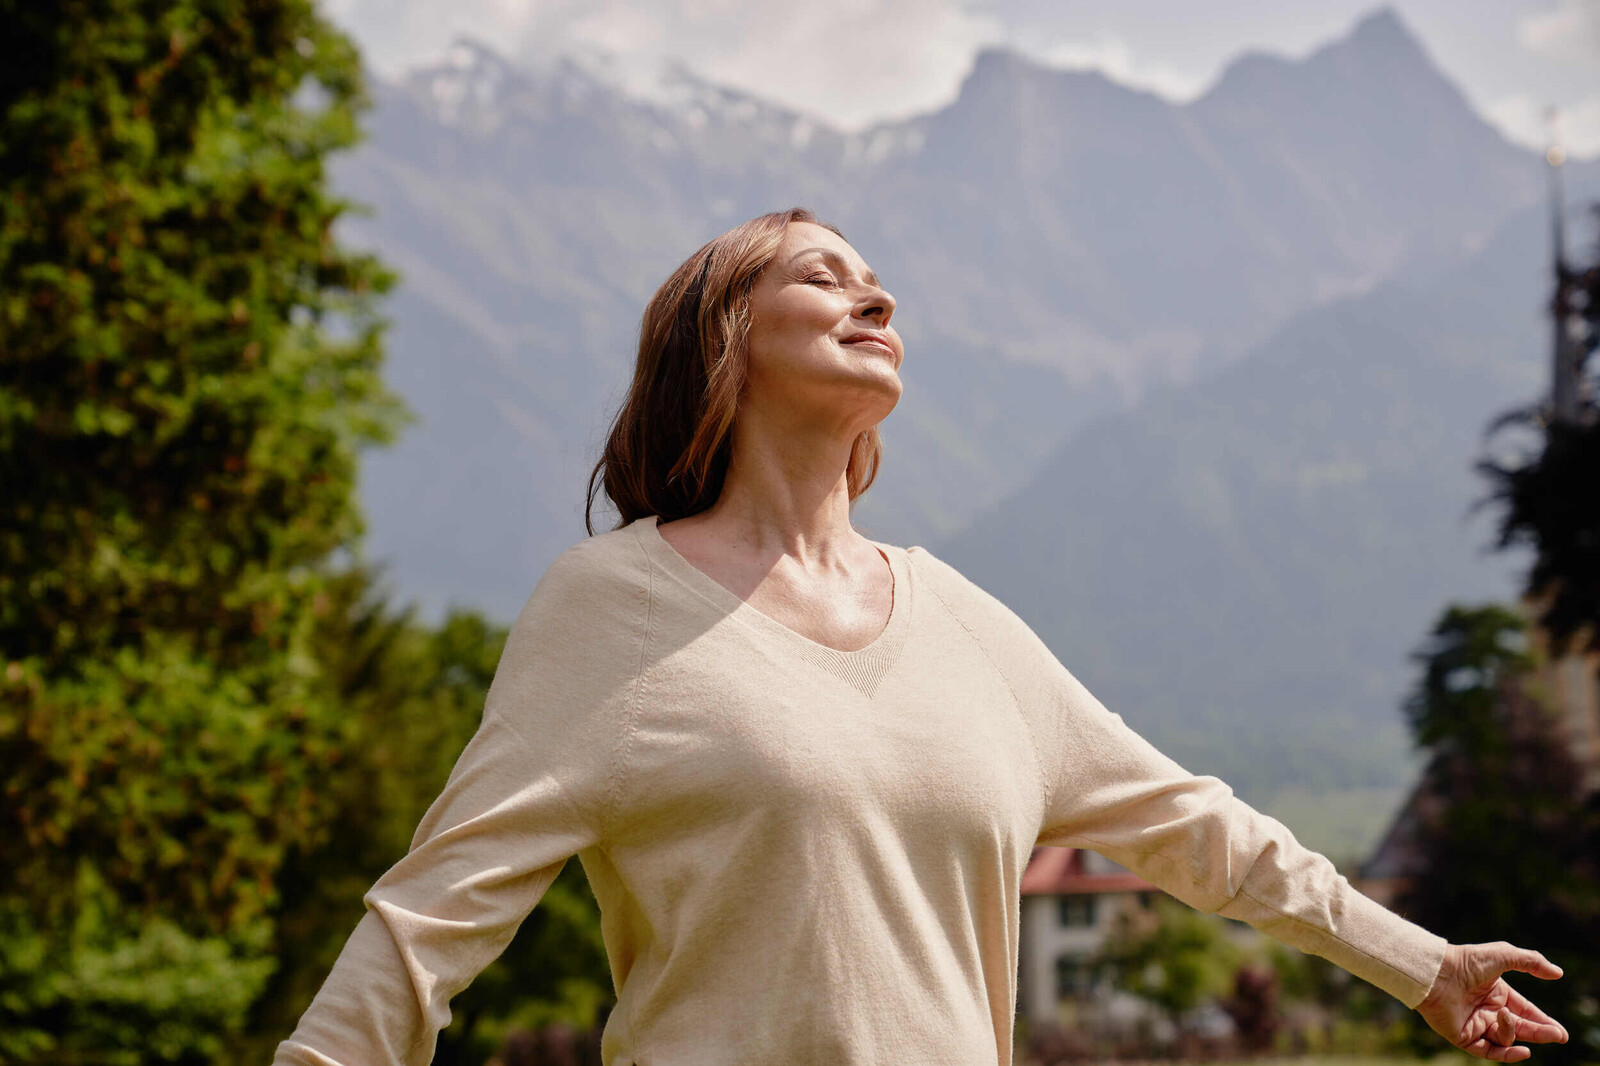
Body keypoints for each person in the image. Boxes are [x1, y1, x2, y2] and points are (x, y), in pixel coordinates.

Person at [273, 207, 1569, 1066]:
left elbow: (1200, 833)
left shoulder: (962, 622)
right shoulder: (612, 606)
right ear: (726, 338)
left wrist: (1424, 963)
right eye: (820, 273)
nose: (873, 290)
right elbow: (428, 919)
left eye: (877, 278)